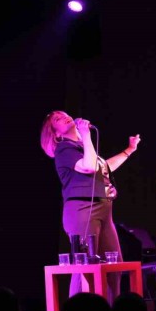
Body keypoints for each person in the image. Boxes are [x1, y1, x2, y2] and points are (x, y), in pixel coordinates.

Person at [41, 111, 140, 298]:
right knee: (85, 268)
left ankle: (112, 310)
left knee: (114, 266)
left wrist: (129, 150)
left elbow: (103, 166)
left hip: (104, 210)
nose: (65, 117)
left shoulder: (82, 148)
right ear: (56, 134)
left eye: (65, 114)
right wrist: (86, 135)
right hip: (82, 210)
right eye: (58, 119)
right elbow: (89, 167)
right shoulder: (64, 148)